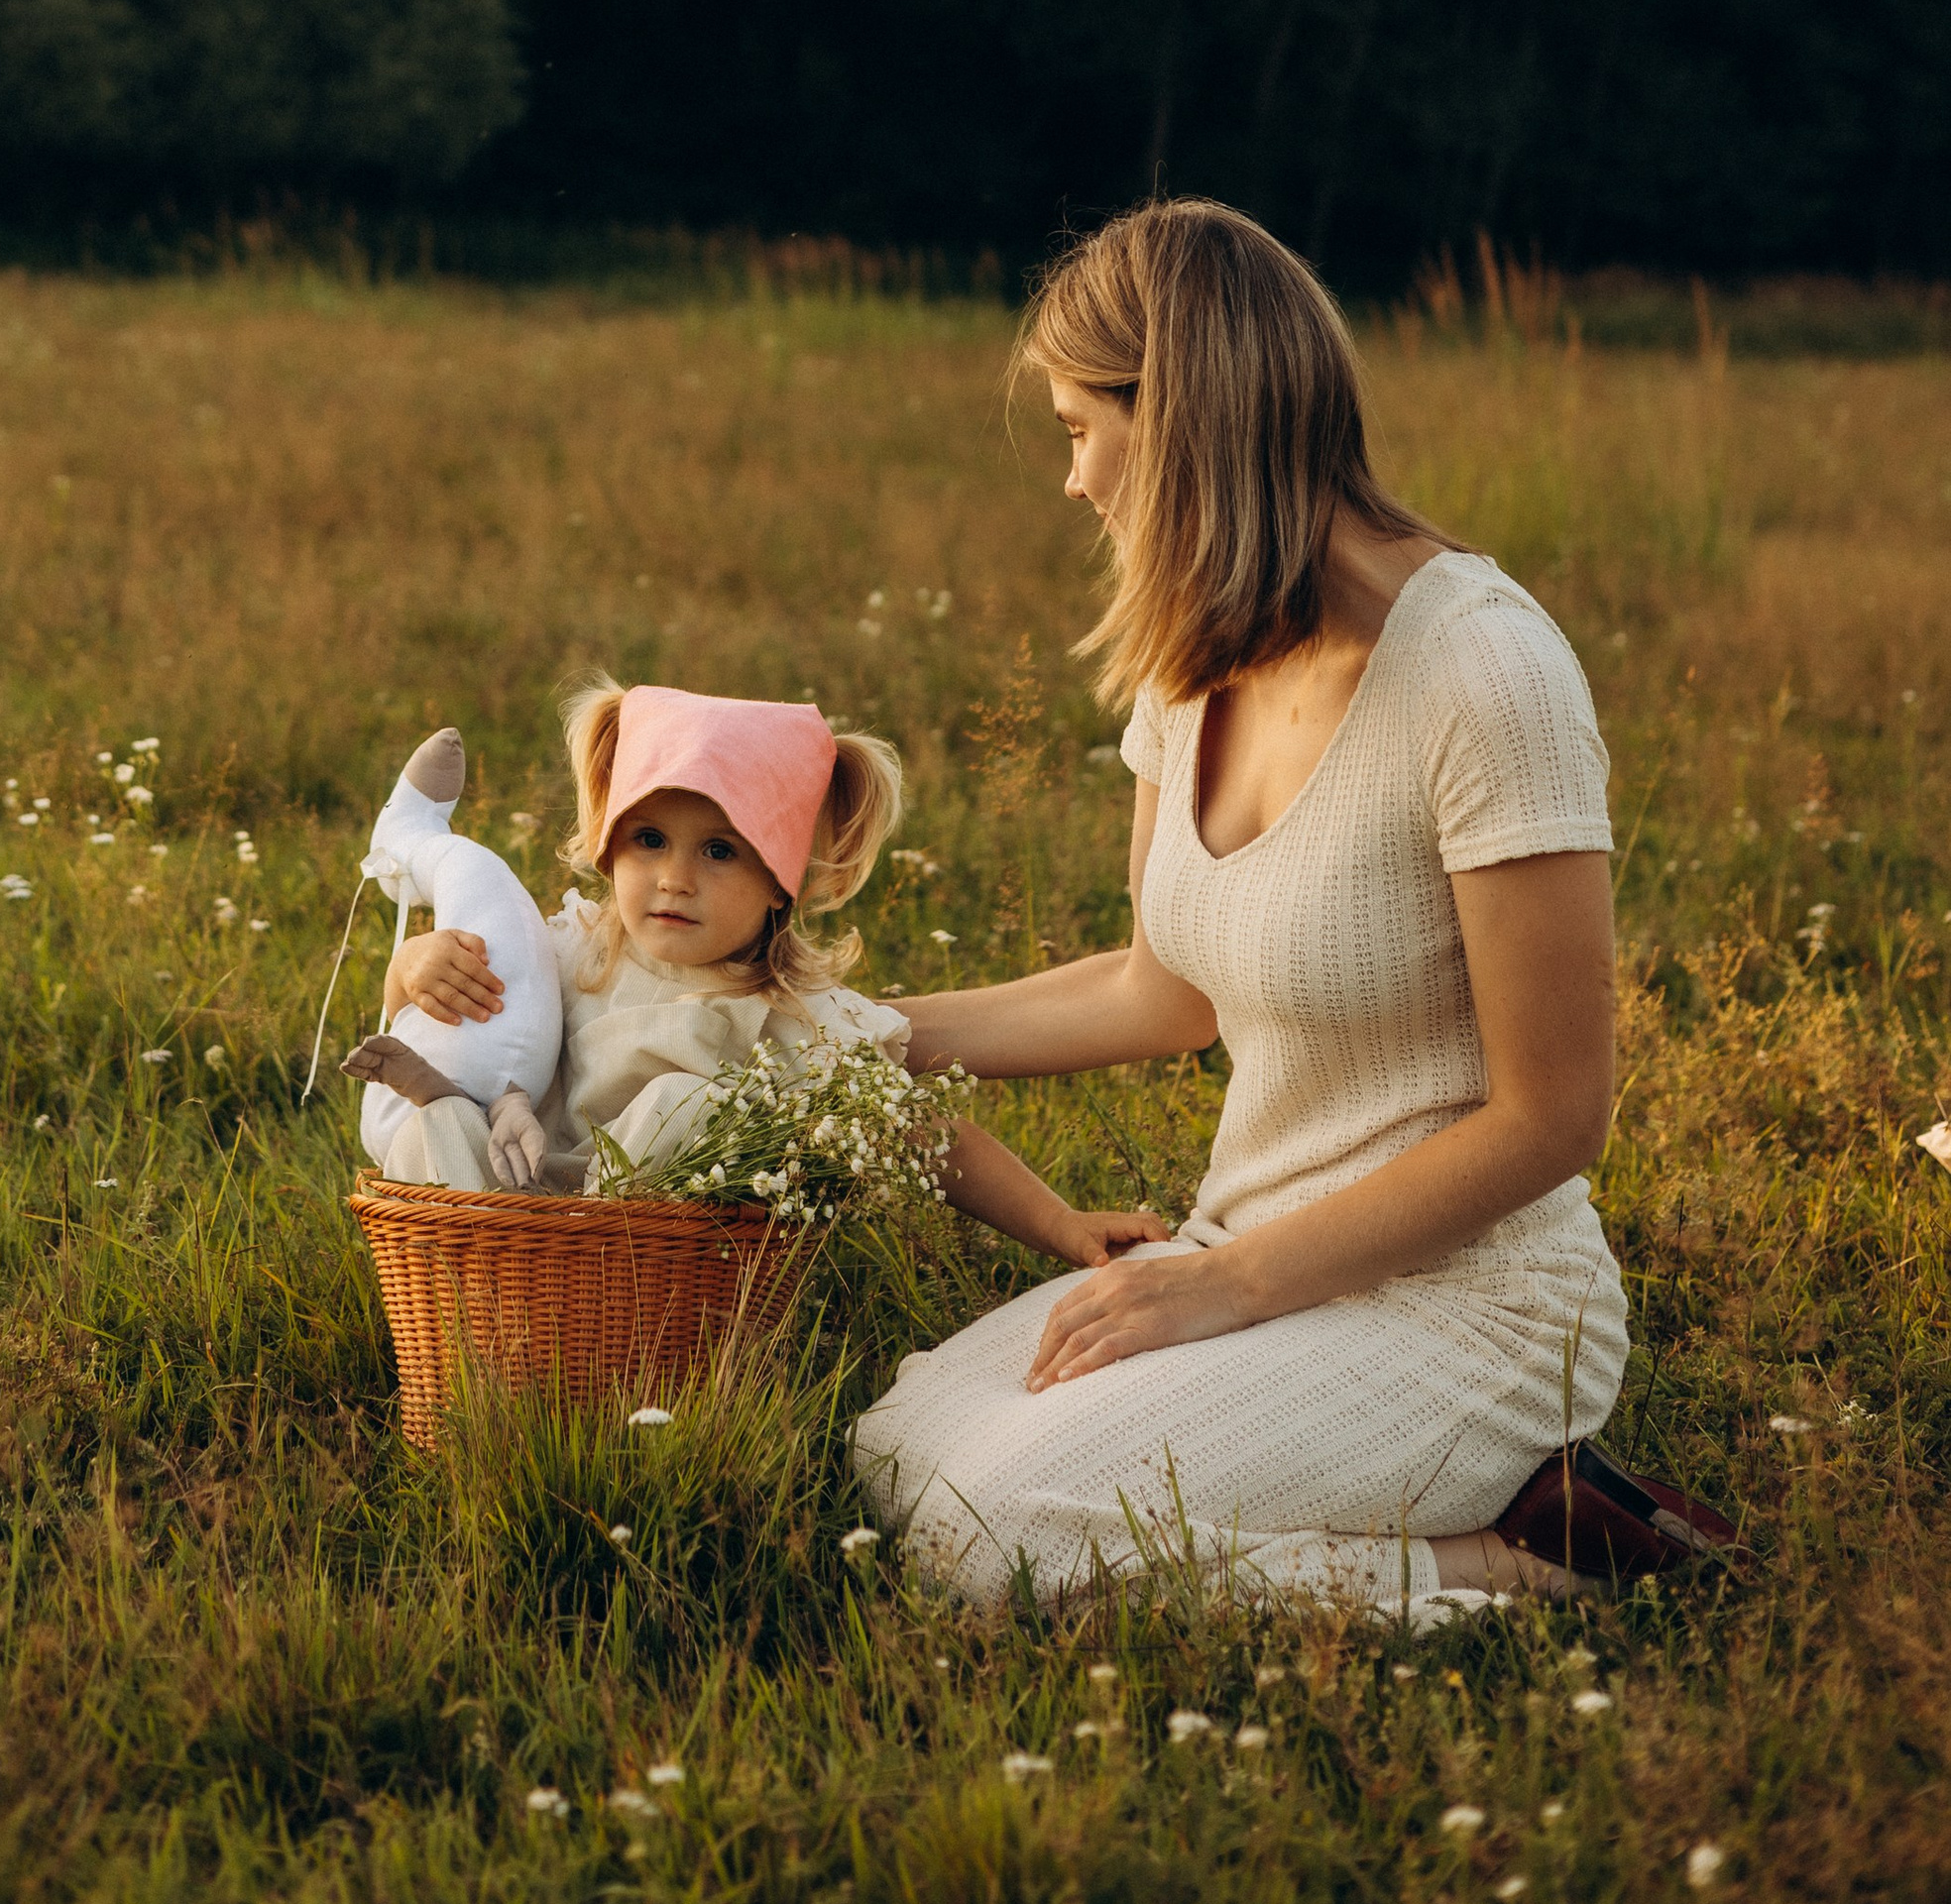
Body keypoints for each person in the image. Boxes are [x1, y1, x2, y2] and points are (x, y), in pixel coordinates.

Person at [850, 198, 1628, 1617]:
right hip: (1254, 1257)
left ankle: (1512, 1567)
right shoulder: (1197, 654)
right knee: (897, 1456)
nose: (1075, 482)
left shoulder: (1486, 673)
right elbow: (1162, 988)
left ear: (1185, 421)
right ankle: (1417, 1538)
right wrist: (861, 1031)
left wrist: (1227, 1287)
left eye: (1084, 429)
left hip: (1472, 1309)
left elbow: (1556, 1114)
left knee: (991, 1541)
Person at [352, 679, 1168, 1267]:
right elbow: (451, 1026)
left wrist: (1060, 1223)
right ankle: (481, 1287)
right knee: (438, 1121)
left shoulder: (787, 1012)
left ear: (781, 878)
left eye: (718, 851)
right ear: (609, 843)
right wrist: (410, 968)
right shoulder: (567, 946)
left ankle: (578, 1259)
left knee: (685, 1103)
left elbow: (918, 1129)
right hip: (505, 1202)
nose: (675, 876)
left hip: (642, 1252)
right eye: (648, 840)